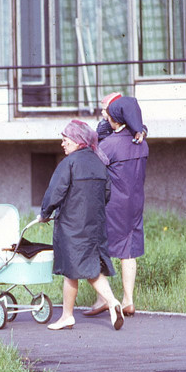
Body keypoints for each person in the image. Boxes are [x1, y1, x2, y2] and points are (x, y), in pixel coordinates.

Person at [39, 119, 124, 331]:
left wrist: (44, 213)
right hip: (94, 225)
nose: (62, 143)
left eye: (65, 139)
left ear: (77, 141)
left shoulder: (69, 164)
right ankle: (113, 302)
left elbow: (55, 192)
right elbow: (106, 194)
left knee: (71, 270)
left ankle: (67, 316)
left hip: (72, 225)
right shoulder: (98, 162)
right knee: (90, 268)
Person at [85, 96, 149, 318]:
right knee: (128, 250)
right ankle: (128, 300)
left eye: (109, 115)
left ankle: (104, 298)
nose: (107, 118)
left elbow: (94, 168)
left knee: (101, 246)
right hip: (135, 202)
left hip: (113, 204)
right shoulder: (141, 141)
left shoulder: (109, 145)